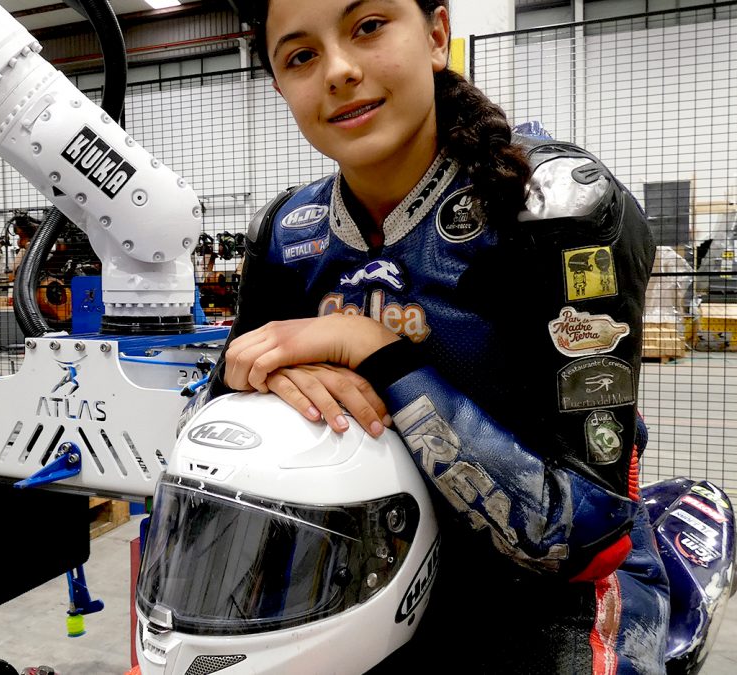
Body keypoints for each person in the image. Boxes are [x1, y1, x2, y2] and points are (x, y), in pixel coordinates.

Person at [201, 0, 669, 672]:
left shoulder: (558, 207)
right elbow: (215, 433)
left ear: (437, 34)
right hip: (356, 584)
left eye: (367, 27)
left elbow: (586, 536)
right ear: (279, 86)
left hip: (550, 600)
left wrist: (371, 350)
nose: (337, 71)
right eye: (300, 56)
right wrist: (265, 379)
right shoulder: (286, 229)